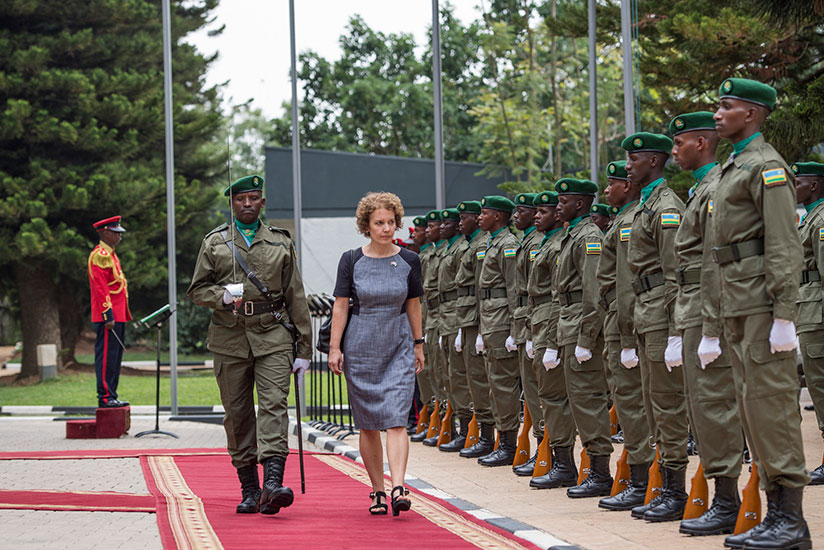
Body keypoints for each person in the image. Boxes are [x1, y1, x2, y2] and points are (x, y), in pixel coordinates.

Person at [700, 78, 810, 550]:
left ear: (752, 113)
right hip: (737, 305)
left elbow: (785, 243)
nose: (717, 115)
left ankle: (792, 523)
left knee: (773, 410)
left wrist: (786, 313)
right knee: (752, 410)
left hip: (764, 307)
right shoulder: (734, 166)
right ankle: (772, 515)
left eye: (726, 107)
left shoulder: (766, 166)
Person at [187, 174, 312, 516]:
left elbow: (295, 296)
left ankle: (273, 483)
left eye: (253, 198)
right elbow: (196, 289)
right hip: (229, 338)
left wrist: (303, 349)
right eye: (240, 199)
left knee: (274, 405)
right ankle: (250, 488)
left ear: (262, 203)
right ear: (232, 203)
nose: (246, 204)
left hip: (272, 335)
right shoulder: (214, 242)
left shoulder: (280, 242)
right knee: (238, 414)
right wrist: (221, 295)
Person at [327, 192, 425, 517]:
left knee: (397, 418)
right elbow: (341, 305)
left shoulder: (410, 260)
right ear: (366, 226)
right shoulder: (351, 259)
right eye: (378, 223)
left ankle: (399, 486)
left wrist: (418, 343)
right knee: (368, 423)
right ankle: (378, 490)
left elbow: (413, 304)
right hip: (361, 345)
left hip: (397, 343)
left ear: (398, 222)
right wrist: (334, 348)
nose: (386, 228)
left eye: (390, 222)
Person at [669, 111, 744, 536]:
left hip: (707, 308)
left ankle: (729, 501)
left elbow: (715, 262)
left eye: (680, 143)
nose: (674, 151)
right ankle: (724, 498)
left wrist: (711, 329)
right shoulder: (702, 189)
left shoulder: (714, 188)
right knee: (704, 407)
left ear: (701, 143)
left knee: (715, 405)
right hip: (693, 307)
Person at [622, 132, 689, 522]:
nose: (629, 166)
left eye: (634, 159)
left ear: (654, 161)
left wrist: (677, 330)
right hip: (647, 314)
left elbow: (673, 272)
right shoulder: (647, 205)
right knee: (652, 404)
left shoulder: (666, 208)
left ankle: (676, 491)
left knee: (667, 405)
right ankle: (665, 486)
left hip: (662, 317)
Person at [596, 161, 656, 511]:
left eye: (613, 184)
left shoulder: (634, 220)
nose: (607, 191)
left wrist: (629, 338)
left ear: (628, 187)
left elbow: (626, 282)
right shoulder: (622, 220)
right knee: (628, 400)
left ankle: (643, 479)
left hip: (630, 323)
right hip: (618, 321)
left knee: (635, 404)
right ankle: (639, 478)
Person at [553, 178, 614, 498]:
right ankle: (586, 468)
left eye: (563, 202)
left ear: (579, 205)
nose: (557, 206)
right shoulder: (573, 234)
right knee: (578, 401)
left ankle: (601, 472)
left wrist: (587, 338)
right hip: (569, 324)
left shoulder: (589, 237)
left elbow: (593, 293)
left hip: (580, 326)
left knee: (589, 401)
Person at [528, 191, 578, 490]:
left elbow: (559, 294)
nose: (537, 216)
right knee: (545, 395)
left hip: (554, 321)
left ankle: (566, 463)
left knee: (560, 397)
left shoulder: (563, 242)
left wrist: (552, 339)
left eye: (543, 211)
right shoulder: (547, 242)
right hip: (539, 320)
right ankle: (555, 458)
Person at [476, 195, 522, 466]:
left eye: (485, 213)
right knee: (495, 383)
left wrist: (514, 330)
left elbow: (514, 288)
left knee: (504, 386)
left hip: (503, 321)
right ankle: (501, 439)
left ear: (498, 216)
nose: (481, 217)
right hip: (490, 321)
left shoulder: (507, 245)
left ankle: (509, 444)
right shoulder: (493, 243)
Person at [454, 200, 496, 458]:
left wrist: (480, 327)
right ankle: (476, 432)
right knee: (464, 377)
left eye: (465, 217)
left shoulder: (483, 244)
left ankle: (490, 437)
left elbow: (483, 289)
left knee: (483, 380)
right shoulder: (476, 244)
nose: (462, 223)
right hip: (466, 317)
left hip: (484, 318)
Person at [793, 160, 824, 486]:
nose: (794, 186)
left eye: (798, 180)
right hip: (809, 309)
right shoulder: (811, 219)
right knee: (817, 386)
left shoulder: (821, 221)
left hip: (817, 313)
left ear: (813, 185)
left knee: (821, 385)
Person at [512, 193, 543, 476]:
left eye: (520, 211)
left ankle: (548, 452)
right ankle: (542, 451)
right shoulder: (527, 243)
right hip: (525, 322)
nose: (516, 216)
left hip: (537, 322)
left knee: (540, 392)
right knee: (532, 391)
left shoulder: (536, 244)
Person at [436, 208, 473, 451]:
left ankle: (470, 430)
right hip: (444, 316)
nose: (437, 229)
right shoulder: (450, 248)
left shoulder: (462, 248)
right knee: (446, 375)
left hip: (460, 315)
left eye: (443, 224)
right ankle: (458, 427)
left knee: (463, 377)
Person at [88, 216, 131, 408]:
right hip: (108, 316)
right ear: (105, 232)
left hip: (118, 314)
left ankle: (112, 394)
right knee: (106, 357)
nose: (119, 237)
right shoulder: (100, 255)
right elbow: (100, 288)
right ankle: (105, 397)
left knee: (115, 358)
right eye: (116, 233)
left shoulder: (111, 254)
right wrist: (108, 315)